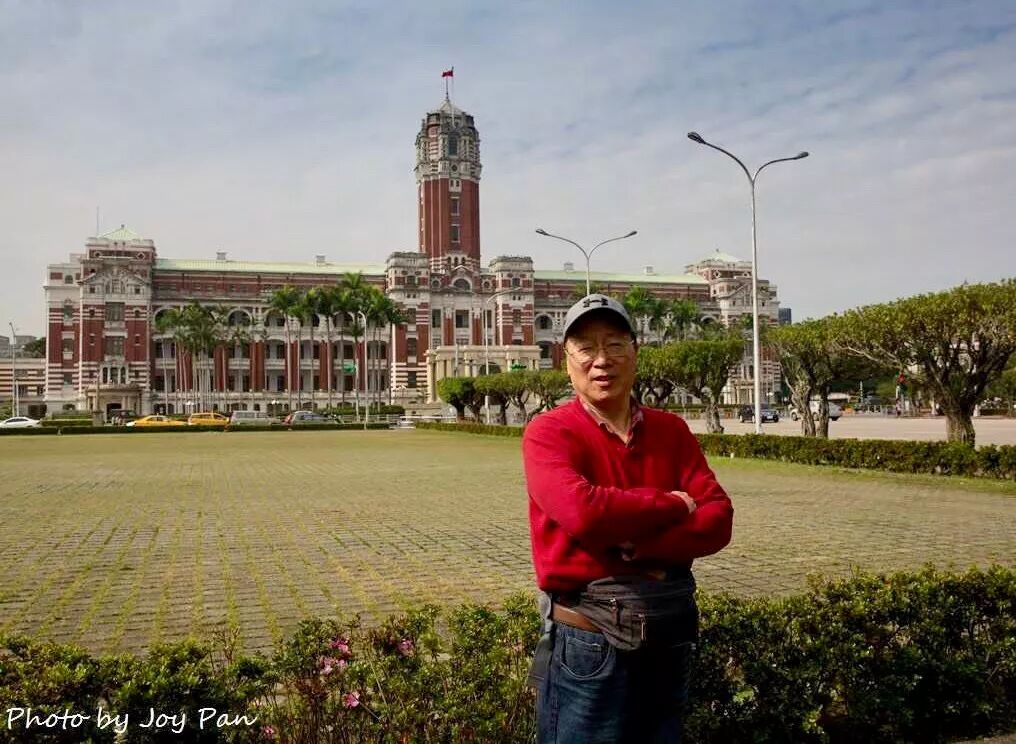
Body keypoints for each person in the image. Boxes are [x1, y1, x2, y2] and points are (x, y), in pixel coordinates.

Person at [523, 294, 734, 744]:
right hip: (588, 641)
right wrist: (675, 505)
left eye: (616, 345)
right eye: (586, 348)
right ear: (566, 361)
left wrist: (641, 546)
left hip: (667, 632)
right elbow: (585, 513)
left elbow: (719, 517)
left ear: (636, 354)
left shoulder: (670, 430)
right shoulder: (549, 432)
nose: (602, 360)